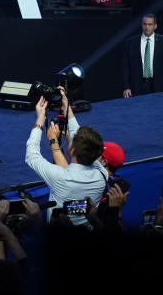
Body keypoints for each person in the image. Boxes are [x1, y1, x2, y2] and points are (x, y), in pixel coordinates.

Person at [26, 95, 107, 224]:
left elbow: (31, 156)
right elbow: (77, 134)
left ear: (72, 151)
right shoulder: (102, 173)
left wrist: (40, 120)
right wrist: (66, 106)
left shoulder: (60, 178)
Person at [121, 13, 163, 98]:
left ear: (155, 26)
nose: (147, 27)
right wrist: (126, 87)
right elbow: (125, 67)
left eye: (150, 24)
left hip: (159, 85)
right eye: (145, 24)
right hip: (136, 86)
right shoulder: (130, 42)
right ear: (141, 25)